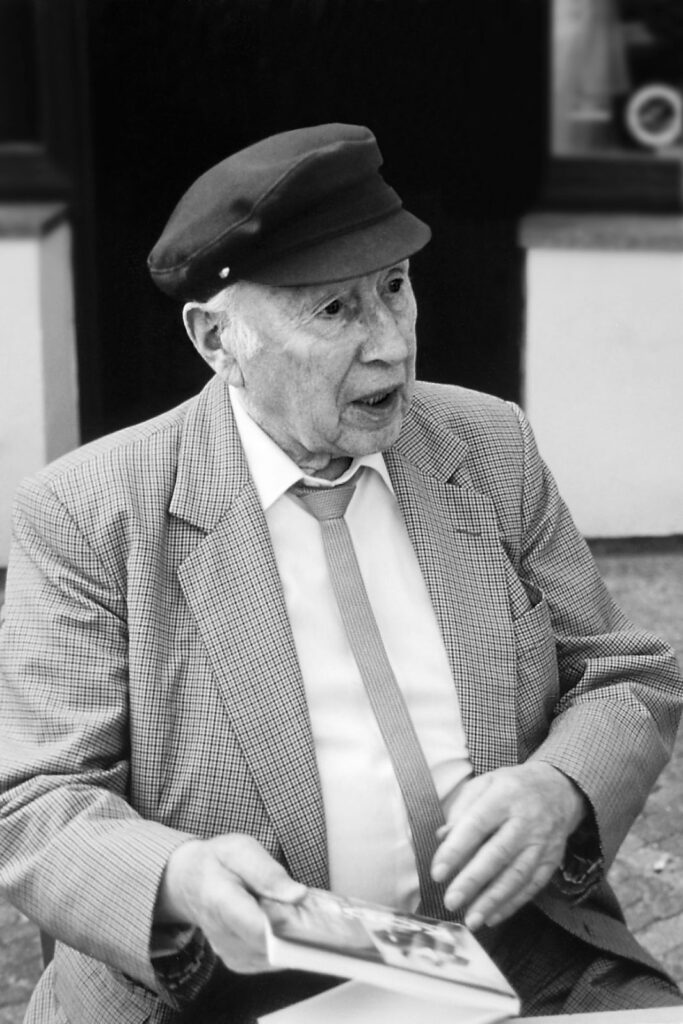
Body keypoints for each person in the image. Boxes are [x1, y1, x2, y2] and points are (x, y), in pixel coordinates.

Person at [0, 123, 681, 1024]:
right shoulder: (87, 511)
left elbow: (623, 672)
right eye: (333, 311)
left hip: (514, 968)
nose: (391, 344)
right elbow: (34, 796)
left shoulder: (488, 445)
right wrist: (177, 878)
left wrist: (559, 786)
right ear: (217, 339)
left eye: (394, 288)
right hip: (221, 992)